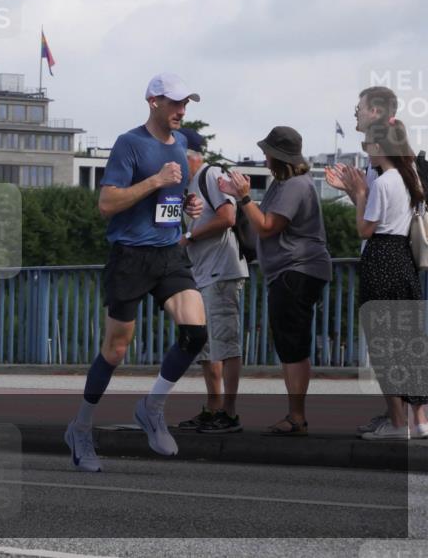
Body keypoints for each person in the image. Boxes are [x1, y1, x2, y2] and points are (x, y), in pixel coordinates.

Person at [64, 73, 207, 473]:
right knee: (116, 350)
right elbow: (107, 203)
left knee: (196, 332)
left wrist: (188, 205)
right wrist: (155, 180)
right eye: (175, 103)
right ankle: (80, 428)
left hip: (169, 253)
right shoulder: (129, 143)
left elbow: (170, 199)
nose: (182, 111)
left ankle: (152, 407)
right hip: (130, 256)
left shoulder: (180, 144)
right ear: (153, 102)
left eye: (186, 104)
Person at [219, 126, 331, 436]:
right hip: (293, 270)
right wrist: (238, 196)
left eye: (268, 153)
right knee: (291, 344)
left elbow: (267, 226)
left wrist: (244, 197)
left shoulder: (294, 185)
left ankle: (297, 417)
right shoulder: (284, 184)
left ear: (278, 157)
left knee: (292, 345)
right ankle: (296, 415)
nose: (264, 158)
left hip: (296, 270)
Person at [326, 118, 428, 440]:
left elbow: (365, 229)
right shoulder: (410, 178)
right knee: (408, 341)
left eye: (368, 145)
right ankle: (420, 419)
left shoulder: (384, 183)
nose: (366, 151)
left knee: (383, 343)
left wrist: (359, 193)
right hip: (404, 259)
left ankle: (397, 423)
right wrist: (358, 191)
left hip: (381, 258)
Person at [174, 128, 248, 434]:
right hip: (203, 274)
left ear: (188, 155)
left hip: (221, 272)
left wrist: (189, 236)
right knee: (206, 345)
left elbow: (228, 217)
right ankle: (214, 407)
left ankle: (229, 413)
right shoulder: (188, 185)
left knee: (225, 343)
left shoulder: (211, 174)